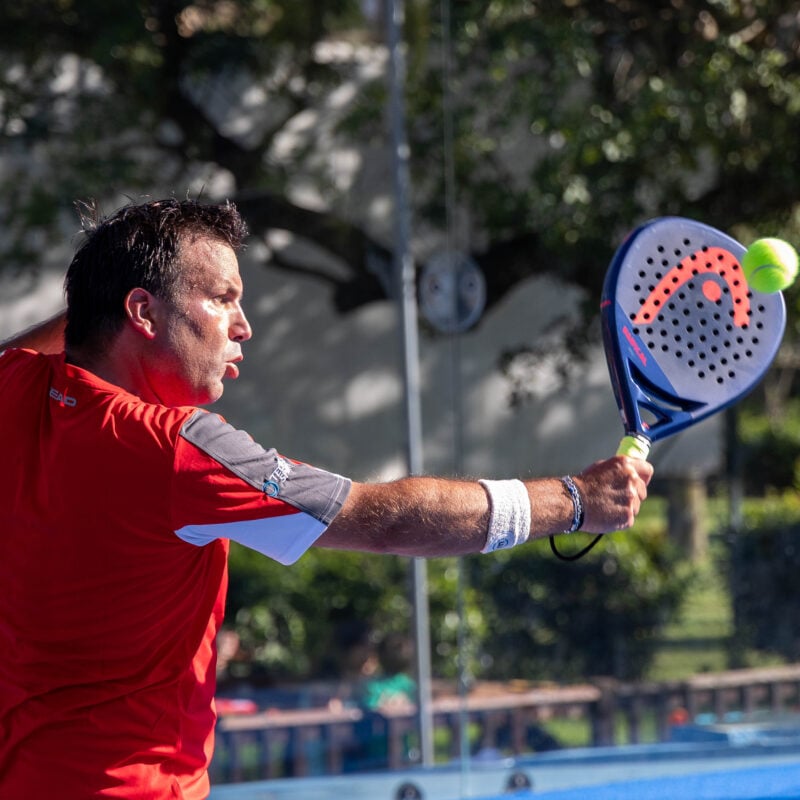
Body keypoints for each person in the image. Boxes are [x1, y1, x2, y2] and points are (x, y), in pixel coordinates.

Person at [0, 197, 653, 799]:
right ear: (142, 312)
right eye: (223, 299)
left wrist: (105, 295)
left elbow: (42, 344)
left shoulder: (14, 386)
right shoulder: (179, 449)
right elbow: (389, 522)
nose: (243, 326)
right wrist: (574, 500)